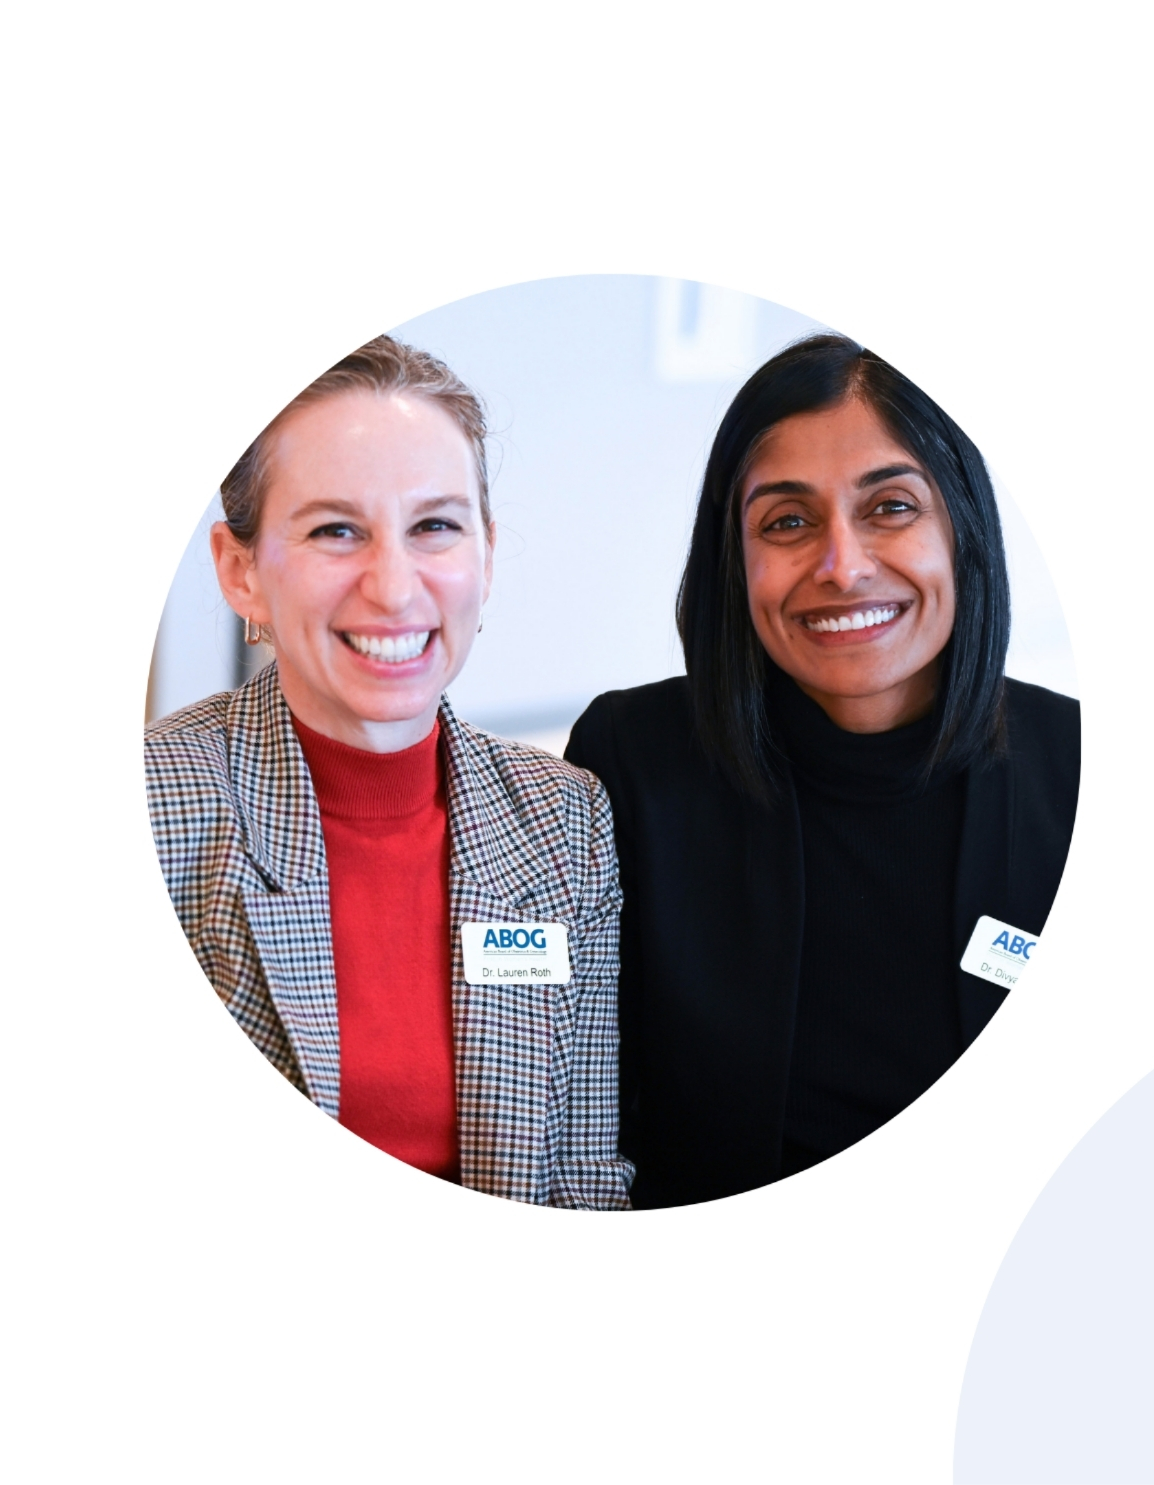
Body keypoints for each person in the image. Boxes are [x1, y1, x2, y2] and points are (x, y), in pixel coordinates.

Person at [564, 333, 1079, 1208]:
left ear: (963, 529)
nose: (842, 566)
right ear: (735, 560)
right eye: (788, 522)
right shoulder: (631, 761)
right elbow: (578, 1106)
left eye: (891, 507)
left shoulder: (1080, 770)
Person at [145, 335, 631, 1209]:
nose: (395, 587)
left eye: (434, 526)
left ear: (486, 552)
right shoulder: (153, 808)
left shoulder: (567, 820)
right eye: (337, 530)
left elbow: (584, 1177)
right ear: (240, 571)